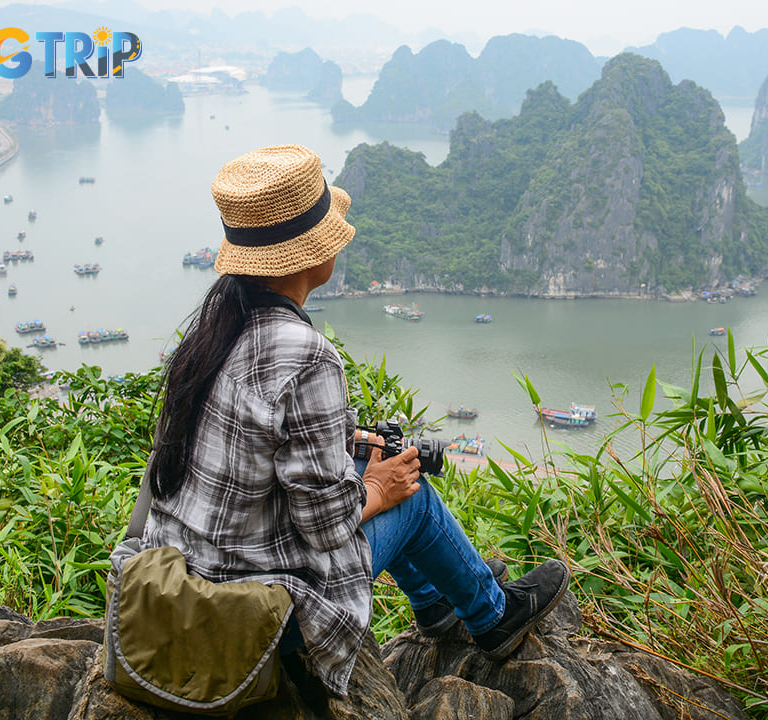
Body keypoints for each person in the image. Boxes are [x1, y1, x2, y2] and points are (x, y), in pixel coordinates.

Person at [141, 144, 569, 697]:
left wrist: (352, 445)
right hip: (255, 621)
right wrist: (379, 487)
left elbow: (252, 442)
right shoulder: (307, 354)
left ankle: (438, 609)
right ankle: (492, 617)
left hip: (182, 595)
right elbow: (326, 527)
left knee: (379, 461)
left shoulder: (210, 334)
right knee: (407, 494)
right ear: (307, 256)